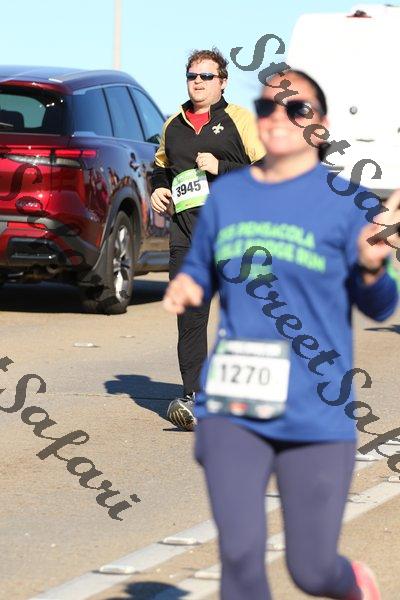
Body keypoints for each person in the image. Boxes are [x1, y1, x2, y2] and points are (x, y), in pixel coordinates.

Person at [163, 69, 399, 599]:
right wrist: (188, 284)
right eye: (267, 107)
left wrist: (371, 268)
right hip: (234, 404)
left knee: (311, 570)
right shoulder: (230, 196)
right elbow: (200, 265)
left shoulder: (347, 203)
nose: (279, 117)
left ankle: (353, 584)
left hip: (316, 409)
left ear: (321, 126)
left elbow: (382, 305)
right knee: (240, 557)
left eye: (297, 109)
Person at [151, 47, 265, 431]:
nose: (197, 82)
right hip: (187, 236)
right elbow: (160, 166)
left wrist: (223, 167)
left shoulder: (240, 120)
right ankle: (195, 397)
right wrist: (158, 188)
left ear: (223, 82)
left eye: (206, 76)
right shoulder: (173, 125)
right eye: (192, 76)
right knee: (190, 320)